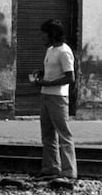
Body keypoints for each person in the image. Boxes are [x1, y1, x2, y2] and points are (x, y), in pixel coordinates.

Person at [30, 18, 77, 181]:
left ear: (52, 35)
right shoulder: (50, 50)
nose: (42, 38)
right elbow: (52, 70)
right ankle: (51, 169)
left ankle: (69, 172)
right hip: (46, 95)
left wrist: (48, 83)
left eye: (44, 35)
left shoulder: (64, 51)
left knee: (64, 134)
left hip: (58, 97)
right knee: (48, 134)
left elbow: (70, 77)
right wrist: (42, 74)